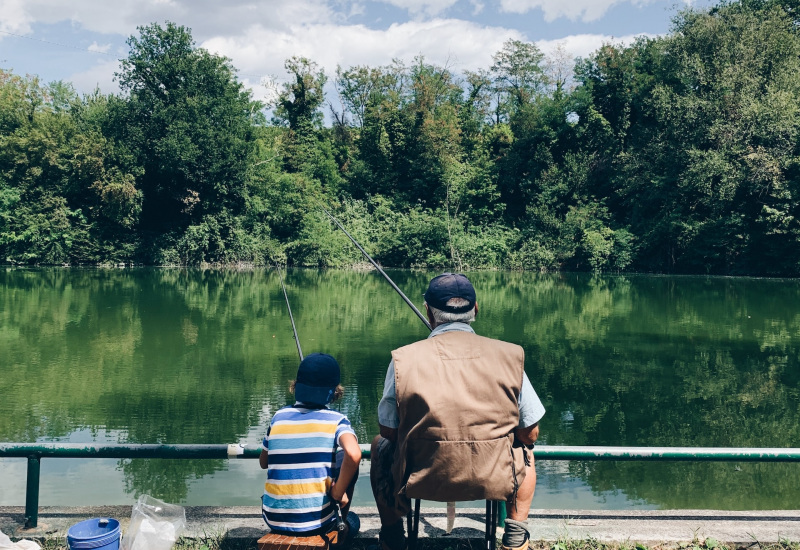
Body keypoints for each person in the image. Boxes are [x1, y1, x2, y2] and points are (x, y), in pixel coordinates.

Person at [370, 273, 545, 550]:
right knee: (525, 450)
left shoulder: (403, 359)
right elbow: (530, 432)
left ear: (428, 311)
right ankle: (515, 536)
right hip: (493, 476)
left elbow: (388, 430)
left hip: (421, 478)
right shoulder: (510, 355)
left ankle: (392, 535)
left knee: (380, 446)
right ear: (476, 309)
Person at [259, 353, 362, 545]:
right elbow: (354, 454)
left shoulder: (278, 417)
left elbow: (263, 462)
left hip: (273, 519)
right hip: (317, 524)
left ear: (296, 386)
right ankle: (341, 533)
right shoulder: (337, 421)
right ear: (334, 392)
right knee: (354, 520)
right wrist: (338, 492)